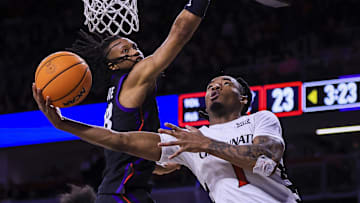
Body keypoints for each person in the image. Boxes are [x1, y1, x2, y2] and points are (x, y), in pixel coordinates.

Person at [33, 75, 302, 202]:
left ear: (243, 99)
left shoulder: (261, 119)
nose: (214, 88)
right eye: (210, 86)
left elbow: (265, 156)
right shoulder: (188, 139)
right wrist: (63, 123)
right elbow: (122, 140)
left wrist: (205, 145)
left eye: (225, 83)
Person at [67, 0, 210, 202]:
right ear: (113, 66)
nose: (135, 52)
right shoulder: (134, 78)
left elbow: (123, 153)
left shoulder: (116, 92)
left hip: (121, 193)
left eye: (134, 46)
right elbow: (179, 33)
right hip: (121, 194)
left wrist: (154, 166)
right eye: (124, 52)